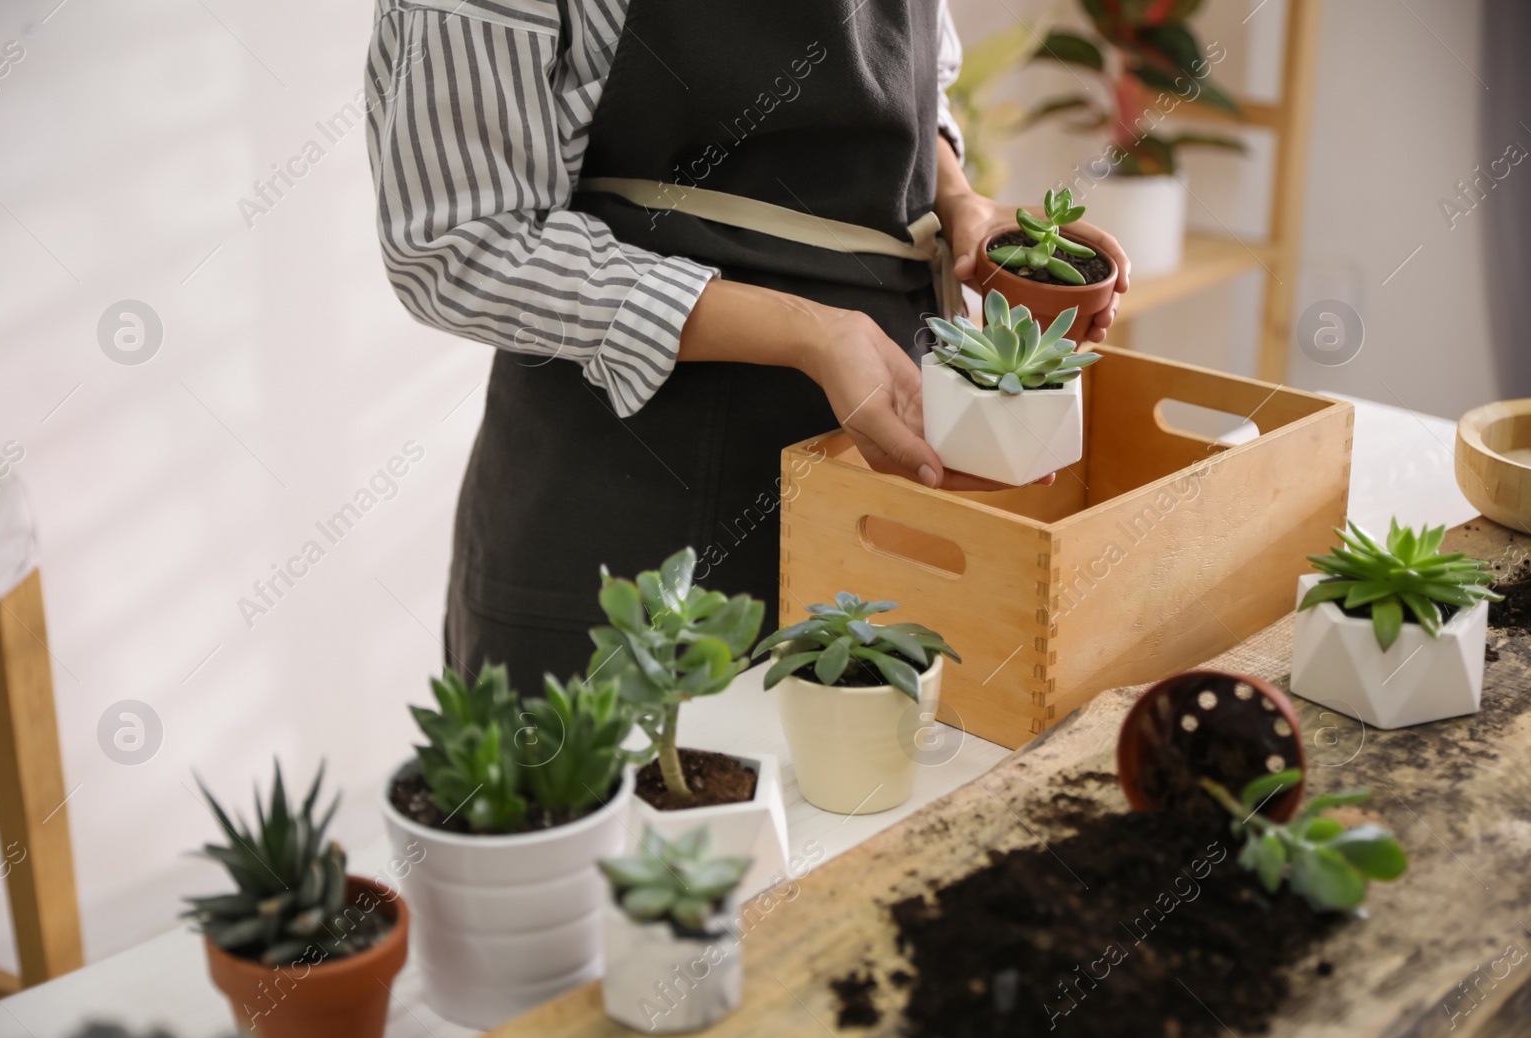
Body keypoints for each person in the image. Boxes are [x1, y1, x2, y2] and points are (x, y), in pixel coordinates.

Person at [364, 0, 1130, 687]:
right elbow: (457, 242)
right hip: (637, 491)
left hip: (875, 490)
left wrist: (964, 205)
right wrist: (811, 331)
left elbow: (914, 83)